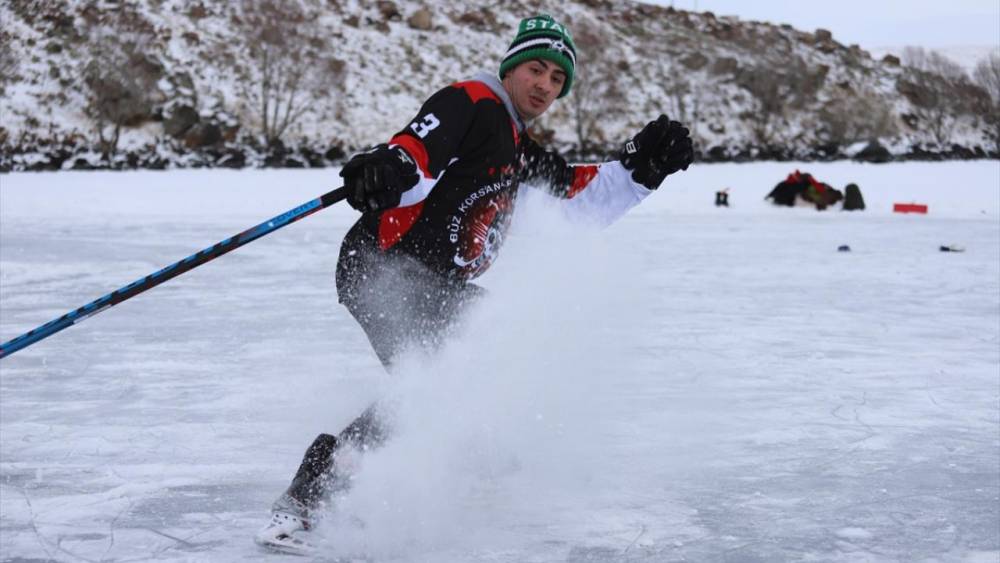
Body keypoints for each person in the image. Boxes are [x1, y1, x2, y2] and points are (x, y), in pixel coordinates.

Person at [255, 14, 694, 554]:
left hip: (436, 284)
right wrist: (386, 170)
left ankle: (405, 475)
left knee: (488, 353)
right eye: (536, 69)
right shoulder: (473, 103)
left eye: (557, 80)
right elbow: (417, 150)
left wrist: (640, 168)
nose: (544, 86)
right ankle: (309, 500)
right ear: (511, 67)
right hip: (384, 267)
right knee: (438, 378)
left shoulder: (518, 146)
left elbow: (577, 202)